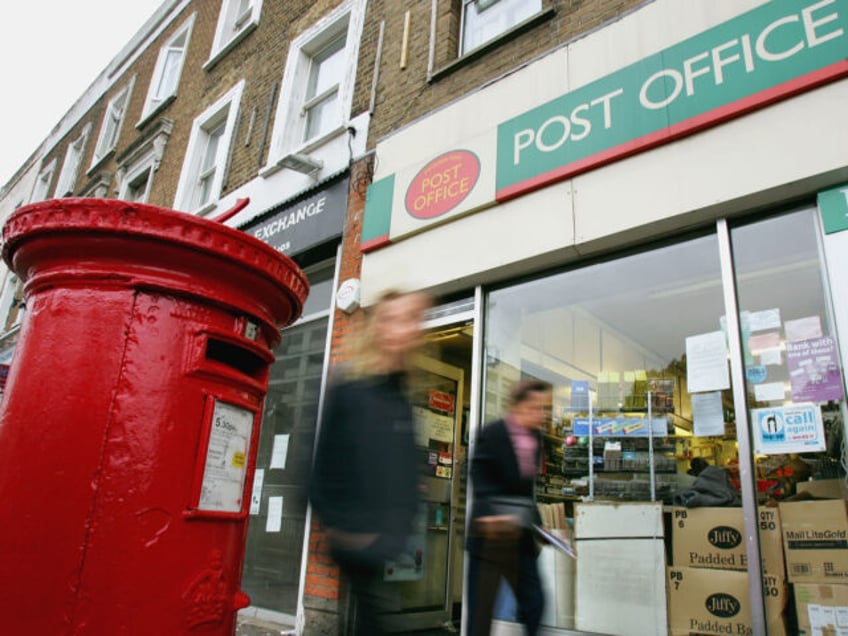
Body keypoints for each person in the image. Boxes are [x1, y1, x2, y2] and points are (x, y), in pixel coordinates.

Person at [308, 289, 429, 635]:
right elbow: (319, 464)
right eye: (392, 319)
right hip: (356, 540)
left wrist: (403, 526)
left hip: (389, 543)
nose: (401, 329)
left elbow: (403, 469)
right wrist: (342, 526)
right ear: (376, 328)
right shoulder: (349, 385)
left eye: (409, 320)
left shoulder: (401, 393)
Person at [466, 379, 552, 636]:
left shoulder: (537, 439)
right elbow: (477, 474)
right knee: (481, 611)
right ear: (518, 405)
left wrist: (538, 526)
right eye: (536, 407)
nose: (542, 414)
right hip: (489, 536)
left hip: (519, 536)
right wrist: (492, 515)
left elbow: (526, 492)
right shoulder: (493, 433)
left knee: (535, 602)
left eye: (545, 408)